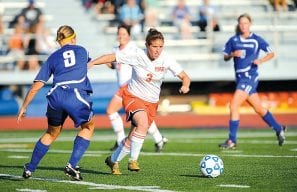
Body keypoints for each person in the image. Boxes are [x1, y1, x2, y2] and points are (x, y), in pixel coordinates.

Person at [88, 28, 190, 174]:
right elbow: (111, 57)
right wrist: (92, 63)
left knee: (133, 136)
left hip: (152, 103)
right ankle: (133, 160)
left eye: (160, 47)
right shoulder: (137, 55)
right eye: (154, 46)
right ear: (147, 45)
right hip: (133, 97)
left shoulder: (166, 59)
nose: (157, 50)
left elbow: (185, 76)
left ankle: (113, 160)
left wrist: (185, 85)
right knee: (142, 123)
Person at [17, 25, 95, 181]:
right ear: (74, 37)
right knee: (88, 126)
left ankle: (30, 168)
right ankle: (72, 165)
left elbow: (36, 86)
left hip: (56, 96)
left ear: (59, 40)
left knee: (51, 133)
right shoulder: (82, 50)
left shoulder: (52, 57)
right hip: (74, 95)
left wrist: (24, 107)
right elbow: (89, 63)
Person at [219, 13, 286, 149]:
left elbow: (271, 53)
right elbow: (225, 56)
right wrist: (232, 54)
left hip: (249, 77)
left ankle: (232, 140)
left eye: (246, 23)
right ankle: (279, 128)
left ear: (250, 24)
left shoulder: (256, 40)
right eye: (241, 23)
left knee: (233, 106)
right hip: (240, 79)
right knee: (259, 109)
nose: (243, 25)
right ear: (238, 25)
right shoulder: (233, 40)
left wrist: (260, 60)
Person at [106, 24, 168, 152]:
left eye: (124, 34)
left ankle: (120, 140)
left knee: (111, 110)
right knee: (142, 118)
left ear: (129, 36)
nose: (121, 36)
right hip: (124, 86)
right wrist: (109, 64)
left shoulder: (133, 49)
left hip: (129, 86)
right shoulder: (115, 49)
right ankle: (158, 139)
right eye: (119, 33)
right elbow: (115, 65)